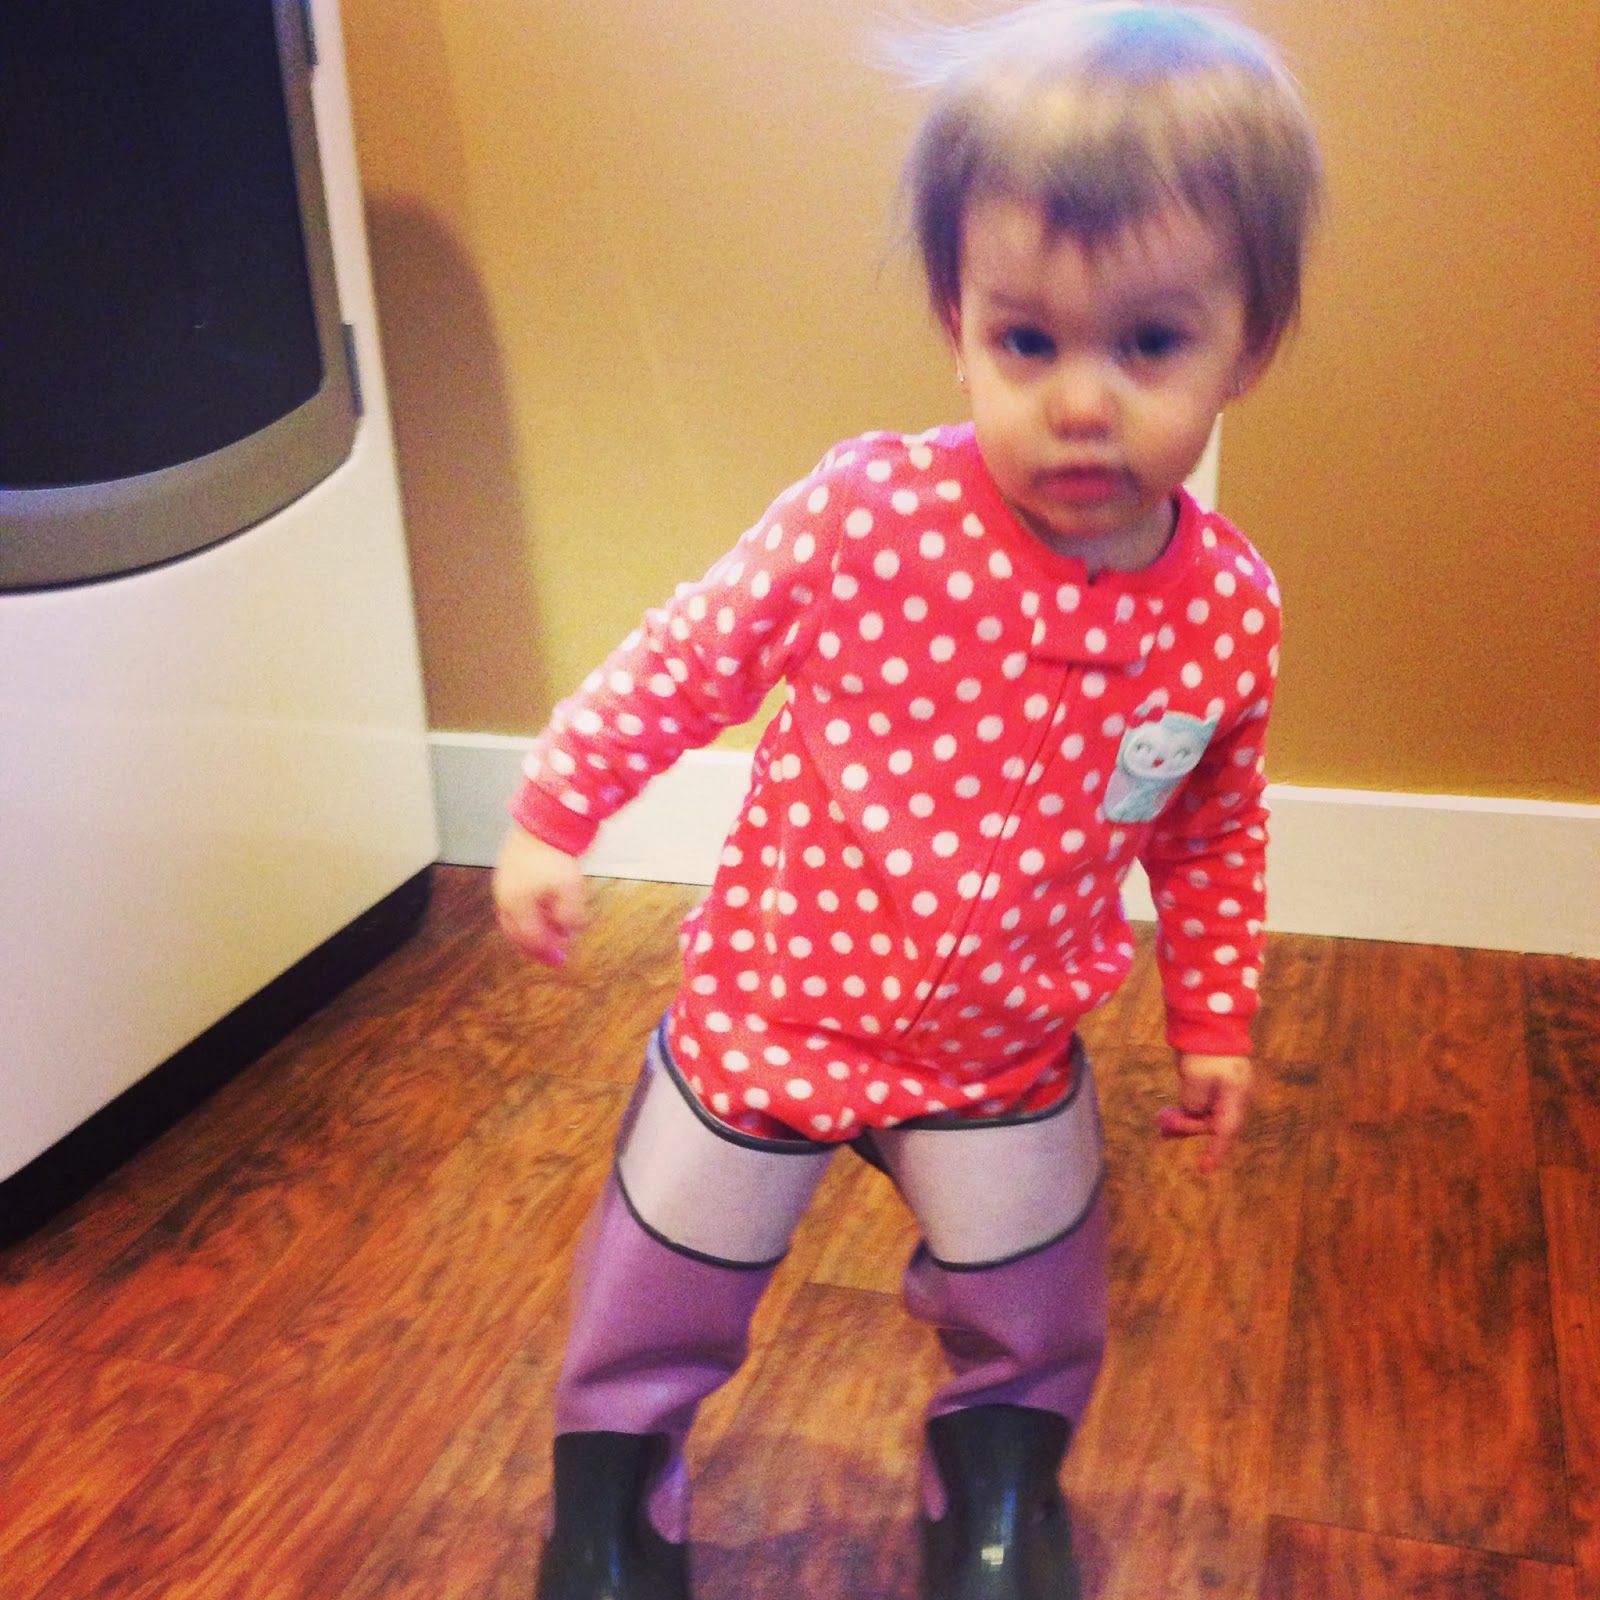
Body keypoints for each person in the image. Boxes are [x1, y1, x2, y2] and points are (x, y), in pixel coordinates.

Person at [494, 5, 1320, 1596]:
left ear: (1250, 343)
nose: (1083, 402)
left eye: (1150, 344)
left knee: (1035, 1293)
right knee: (668, 1267)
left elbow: (1215, 828)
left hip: (1001, 1045)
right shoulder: (871, 517)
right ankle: (611, 1486)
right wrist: (556, 805)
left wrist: (1216, 1018)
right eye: (1029, 343)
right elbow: (690, 659)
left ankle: (997, 1472)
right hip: (773, 1009)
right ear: (959, 321)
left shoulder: (1227, 611)